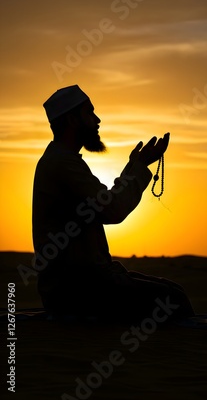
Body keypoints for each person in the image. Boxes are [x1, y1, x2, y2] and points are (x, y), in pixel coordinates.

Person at [32, 85, 194, 323]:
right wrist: (139, 166)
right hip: (76, 290)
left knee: (172, 290)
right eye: (89, 113)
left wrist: (136, 165)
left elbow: (106, 202)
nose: (97, 120)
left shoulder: (63, 161)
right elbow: (112, 209)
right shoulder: (62, 164)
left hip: (85, 283)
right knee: (173, 301)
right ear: (71, 119)